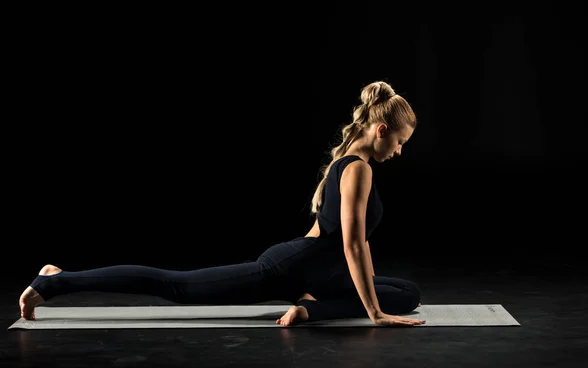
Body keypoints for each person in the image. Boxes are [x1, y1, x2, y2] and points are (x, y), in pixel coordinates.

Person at [19, 81, 425, 327]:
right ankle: (55, 281)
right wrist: (372, 312)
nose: (400, 151)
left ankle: (311, 305)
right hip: (287, 269)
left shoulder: (350, 163)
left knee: (406, 293)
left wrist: (361, 292)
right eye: (400, 142)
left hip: (312, 273)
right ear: (381, 130)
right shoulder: (359, 169)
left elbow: (357, 242)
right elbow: (351, 245)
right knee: (175, 284)